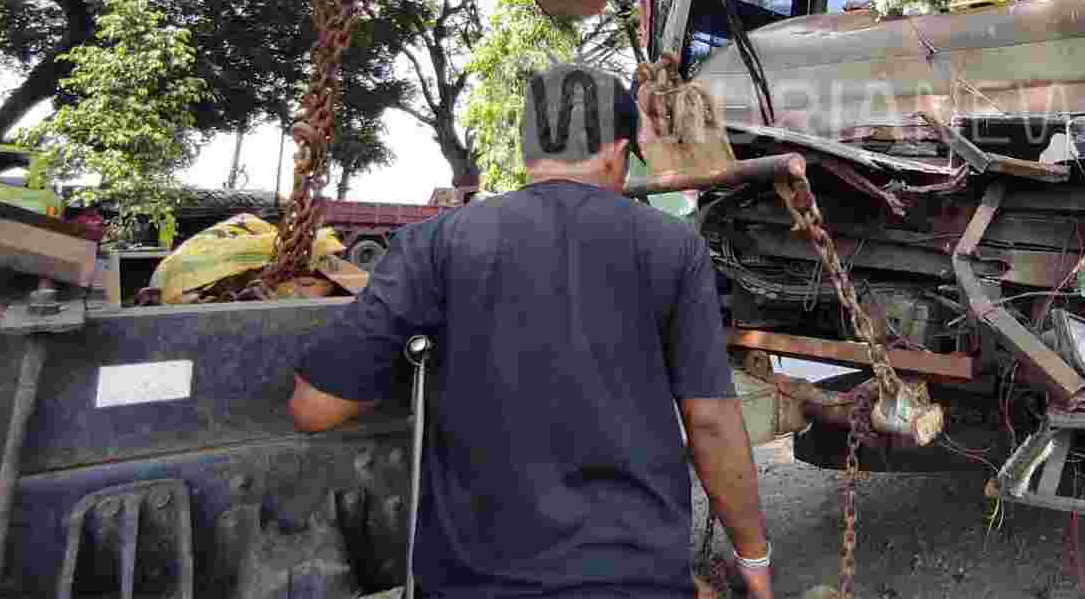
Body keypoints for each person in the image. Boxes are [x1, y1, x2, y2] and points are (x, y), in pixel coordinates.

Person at [288, 63, 774, 599]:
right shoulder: (673, 248)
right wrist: (754, 559)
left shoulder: (436, 244)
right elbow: (710, 423)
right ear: (617, 152)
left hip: (469, 585)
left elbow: (315, 409)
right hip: (634, 581)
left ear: (527, 154)